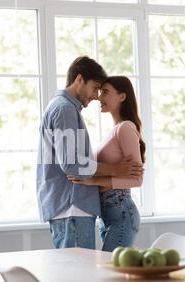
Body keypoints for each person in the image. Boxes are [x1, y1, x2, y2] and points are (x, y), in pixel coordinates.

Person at [37, 57, 143, 250]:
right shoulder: (65, 109)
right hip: (72, 204)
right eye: (95, 88)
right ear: (79, 79)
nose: (96, 96)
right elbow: (72, 164)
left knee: (77, 275)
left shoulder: (62, 107)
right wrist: (114, 169)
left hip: (70, 205)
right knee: (79, 276)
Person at [69, 76, 145, 252]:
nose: (99, 97)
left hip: (122, 212)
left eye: (105, 92)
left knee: (109, 274)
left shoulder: (125, 128)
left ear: (122, 97)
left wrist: (93, 181)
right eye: (100, 91)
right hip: (108, 215)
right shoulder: (114, 131)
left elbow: (137, 180)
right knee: (109, 272)